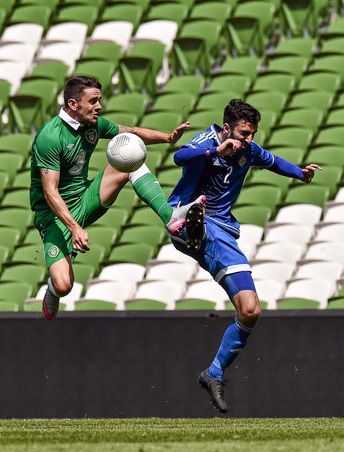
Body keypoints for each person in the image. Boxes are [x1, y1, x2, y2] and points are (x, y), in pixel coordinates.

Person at [167, 98, 321, 414]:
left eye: (252, 133)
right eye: (242, 132)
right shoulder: (210, 140)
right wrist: (214, 152)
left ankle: (214, 373)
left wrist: (299, 173)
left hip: (222, 234)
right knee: (197, 215)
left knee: (250, 310)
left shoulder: (248, 150)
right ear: (226, 128)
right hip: (189, 216)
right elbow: (180, 156)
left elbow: (273, 160)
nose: (248, 139)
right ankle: (188, 225)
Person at [30, 75, 205, 320]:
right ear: (72, 104)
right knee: (63, 285)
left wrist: (166, 138)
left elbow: (131, 133)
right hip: (54, 216)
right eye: (93, 101)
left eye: (99, 100)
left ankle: (172, 219)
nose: (99, 106)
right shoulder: (50, 136)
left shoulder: (93, 124)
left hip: (86, 197)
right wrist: (75, 227)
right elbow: (50, 192)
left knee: (130, 156)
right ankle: (51, 288)